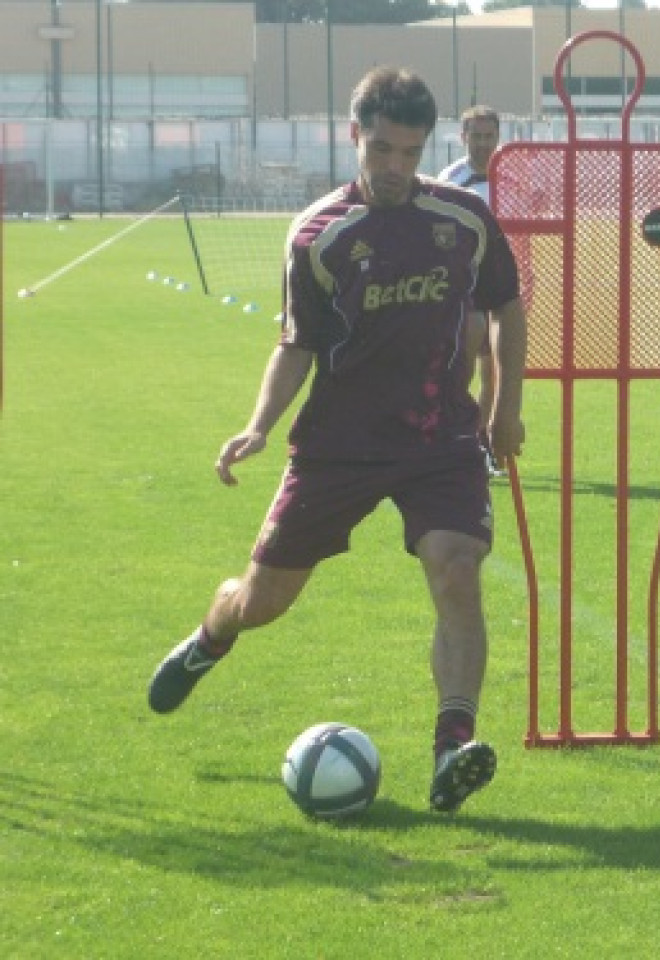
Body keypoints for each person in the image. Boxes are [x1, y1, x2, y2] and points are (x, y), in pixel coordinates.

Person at [147, 67, 527, 816]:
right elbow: (297, 344)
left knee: (457, 570)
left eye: (410, 153)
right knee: (264, 601)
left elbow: (506, 309)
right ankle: (211, 636)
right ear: (355, 135)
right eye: (381, 149)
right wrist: (259, 425)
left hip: (439, 437)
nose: (395, 168)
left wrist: (504, 407)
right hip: (338, 444)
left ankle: (452, 749)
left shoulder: (465, 219)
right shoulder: (318, 234)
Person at [438, 106, 503, 476]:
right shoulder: (451, 181)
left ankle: (483, 443)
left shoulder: (513, 175)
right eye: (476, 136)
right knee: (460, 367)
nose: (482, 143)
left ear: (498, 137)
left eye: (488, 136)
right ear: (463, 138)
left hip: (505, 286)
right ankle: (451, 437)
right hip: (466, 286)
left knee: (494, 370)